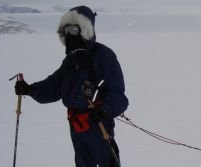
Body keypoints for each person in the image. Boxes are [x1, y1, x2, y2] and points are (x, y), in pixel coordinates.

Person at [14, 6, 128, 167]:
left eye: (74, 29)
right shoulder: (70, 61)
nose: (70, 34)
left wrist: (105, 110)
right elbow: (54, 86)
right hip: (76, 127)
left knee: (108, 163)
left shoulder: (104, 56)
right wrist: (30, 89)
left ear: (85, 29)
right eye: (67, 30)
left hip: (98, 125)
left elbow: (119, 95)